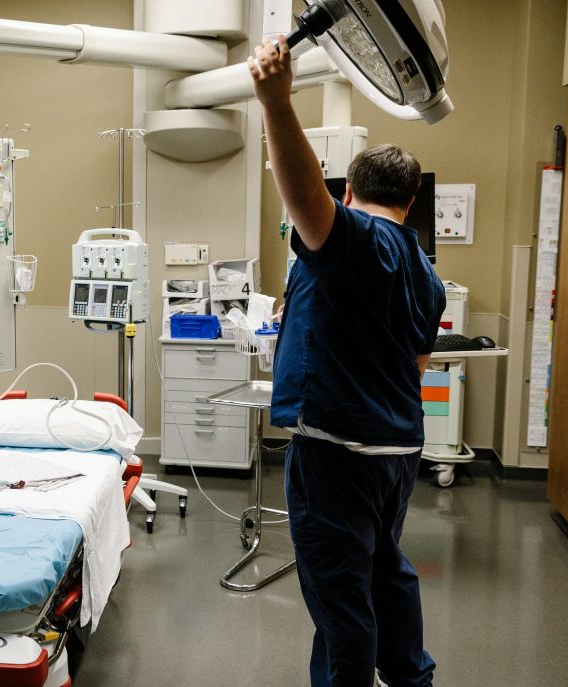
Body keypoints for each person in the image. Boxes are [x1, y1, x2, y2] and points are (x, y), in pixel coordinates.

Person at [249, 36, 445, 687]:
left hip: (338, 451)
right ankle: (410, 675)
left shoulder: (357, 239)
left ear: (352, 192)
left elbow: (306, 202)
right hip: (395, 454)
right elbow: (413, 363)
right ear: (411, 201)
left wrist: (276, 100)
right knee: (384, 572)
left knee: (341, 605)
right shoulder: (426, 271)